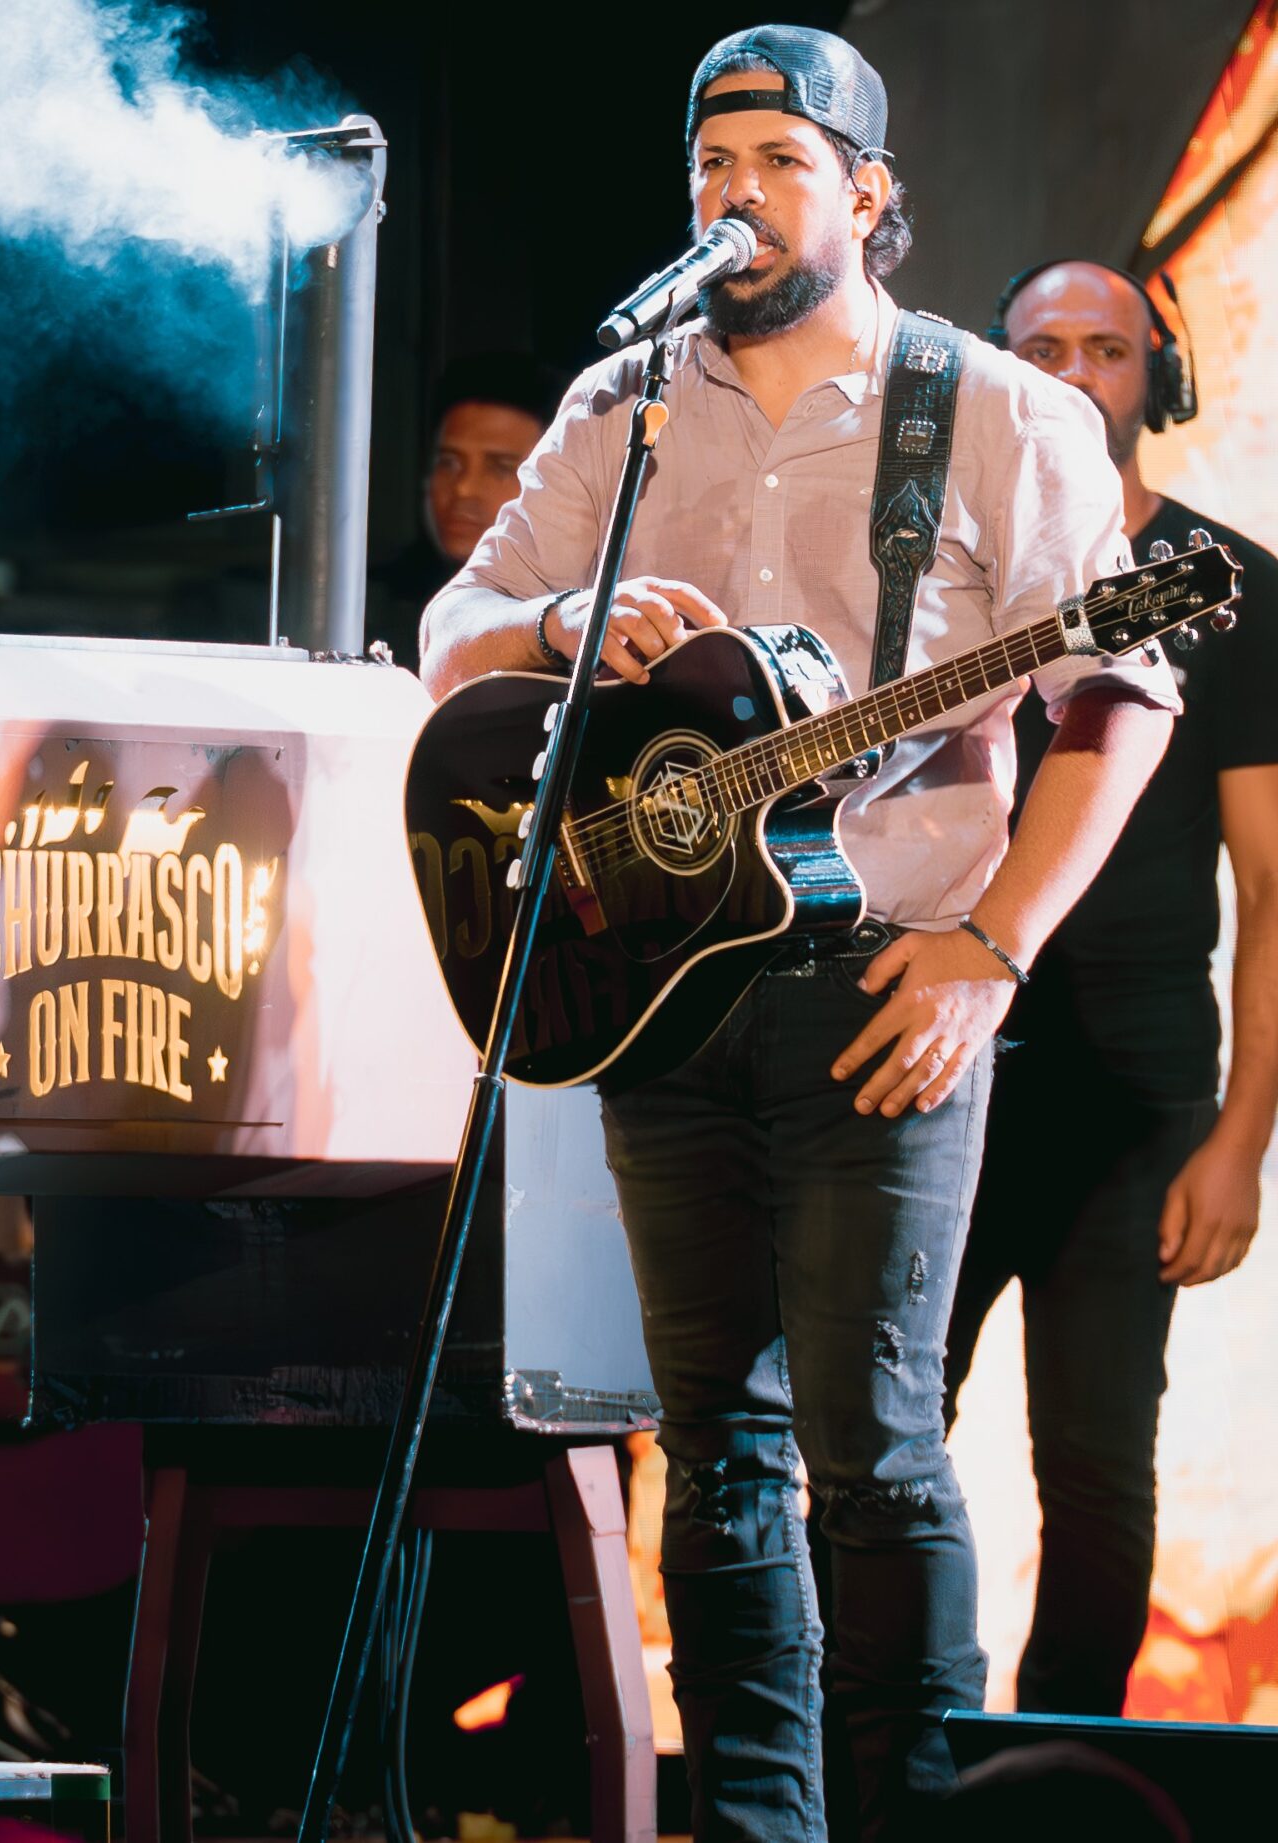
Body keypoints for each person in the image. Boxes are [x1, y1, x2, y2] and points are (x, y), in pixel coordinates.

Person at [417, 27, 1177, 1842]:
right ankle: (759, 1822)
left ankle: (907, 1811)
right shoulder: (624, 407)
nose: (733, 195)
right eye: (710, 163)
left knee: (872, 1440)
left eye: (775, 159)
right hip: (659, 985)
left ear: (867, 191)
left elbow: (1117, 696)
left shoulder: (987, 409)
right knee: (716, 1445)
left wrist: (992, 945)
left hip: (885, 978)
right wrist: (553, 640)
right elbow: (451, 628)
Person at [945, 258, 1277, 1715]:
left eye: (1109, 348)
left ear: (1159, 378)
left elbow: (1274, 889)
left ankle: (1052, 1784)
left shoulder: (1237, 586)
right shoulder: (940, 573)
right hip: (930, 1060)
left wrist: (1241, 1139)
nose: (1078, 375)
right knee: (875, 1439)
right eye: (1043, 350)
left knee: (1092, 1461)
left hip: (1136, 1092)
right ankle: (891, 1750)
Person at [370, 355, 566, 666]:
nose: (464, 489)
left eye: (500, 468)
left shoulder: (572, 623)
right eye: (449, 463)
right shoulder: (367, 607)